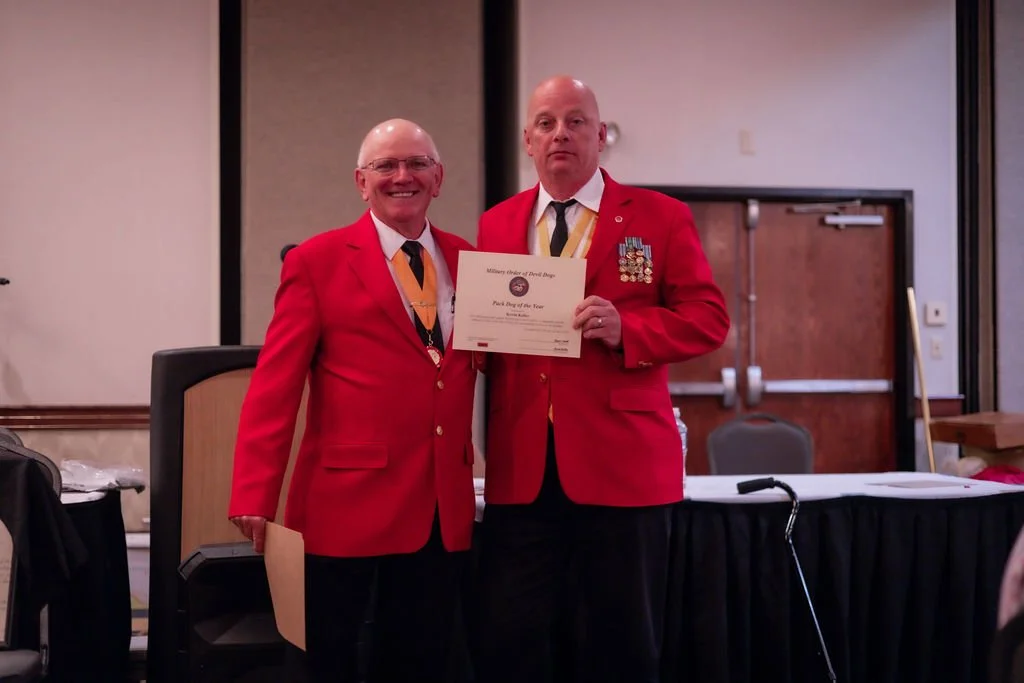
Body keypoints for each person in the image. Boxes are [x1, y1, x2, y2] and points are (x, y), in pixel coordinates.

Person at [472, 76, 731, 682]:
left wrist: (628, 330)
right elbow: (494, 335)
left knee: (622, 645)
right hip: (523, 470)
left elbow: (709, 320)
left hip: (623, 470)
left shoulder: (660, 217)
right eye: (545, 123)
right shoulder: (497, 223)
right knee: (511, 643)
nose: (560, 133)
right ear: (528, 141)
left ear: (601, 135)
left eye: (575, 121)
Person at [228, 118, 479, 683]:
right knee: (328, 662)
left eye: (417, 164)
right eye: (385, 165)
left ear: (439, 178)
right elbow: (275, 386)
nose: (402, 176)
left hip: (440, 506)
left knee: (422, 663)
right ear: (361, 182)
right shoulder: (316, 261)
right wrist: (253, 491)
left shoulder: (470, 260)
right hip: (344, 507)